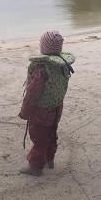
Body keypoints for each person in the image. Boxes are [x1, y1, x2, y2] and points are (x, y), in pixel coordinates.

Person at [19, 31, 75, 176]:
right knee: (51, 133)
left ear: (44, 47)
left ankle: (36, 166)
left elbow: (33, 92)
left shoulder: (42, 68)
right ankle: (50, 159)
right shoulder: (62, 65)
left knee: (39, 137)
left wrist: (25, 111)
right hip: (56, 106)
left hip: (41, 110)